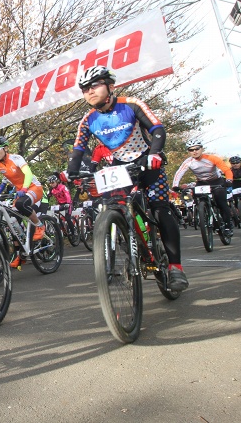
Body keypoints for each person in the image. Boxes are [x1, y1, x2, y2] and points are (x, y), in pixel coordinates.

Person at [65, 65, 188, 291]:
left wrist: (154, 153)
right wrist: (71, 171)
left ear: (111, 86)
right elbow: (78, 150)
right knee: (113, 205)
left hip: (147, 162)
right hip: (120, 168)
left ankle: (175, 267)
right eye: (84, 89)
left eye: (94, 86)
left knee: (160, 207)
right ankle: (126, 244)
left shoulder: (131, 104)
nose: (89, 92)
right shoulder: (88, 119)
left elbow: (158, 130)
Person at [0, 135, 46, 268]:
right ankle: (21, 254)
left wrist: (24, 188)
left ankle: (39, 225)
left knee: (20, 204)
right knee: (11, 221)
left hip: (33, 187)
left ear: (5, 148)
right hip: (20, 191)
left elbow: (28, 174)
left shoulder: (16, 158)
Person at [172, 140, 234, 236]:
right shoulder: (188, 162)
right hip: (202, 183)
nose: (194, 151)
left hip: (216, 181)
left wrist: (229, 180)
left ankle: (227, 225)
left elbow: (226, 169)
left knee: (221, 203)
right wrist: (175, 185)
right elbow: (179, 173)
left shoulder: (212, 158)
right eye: (191, 150)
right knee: (197, 198)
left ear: (202, 149)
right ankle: (204, 211)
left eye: (197, 149)